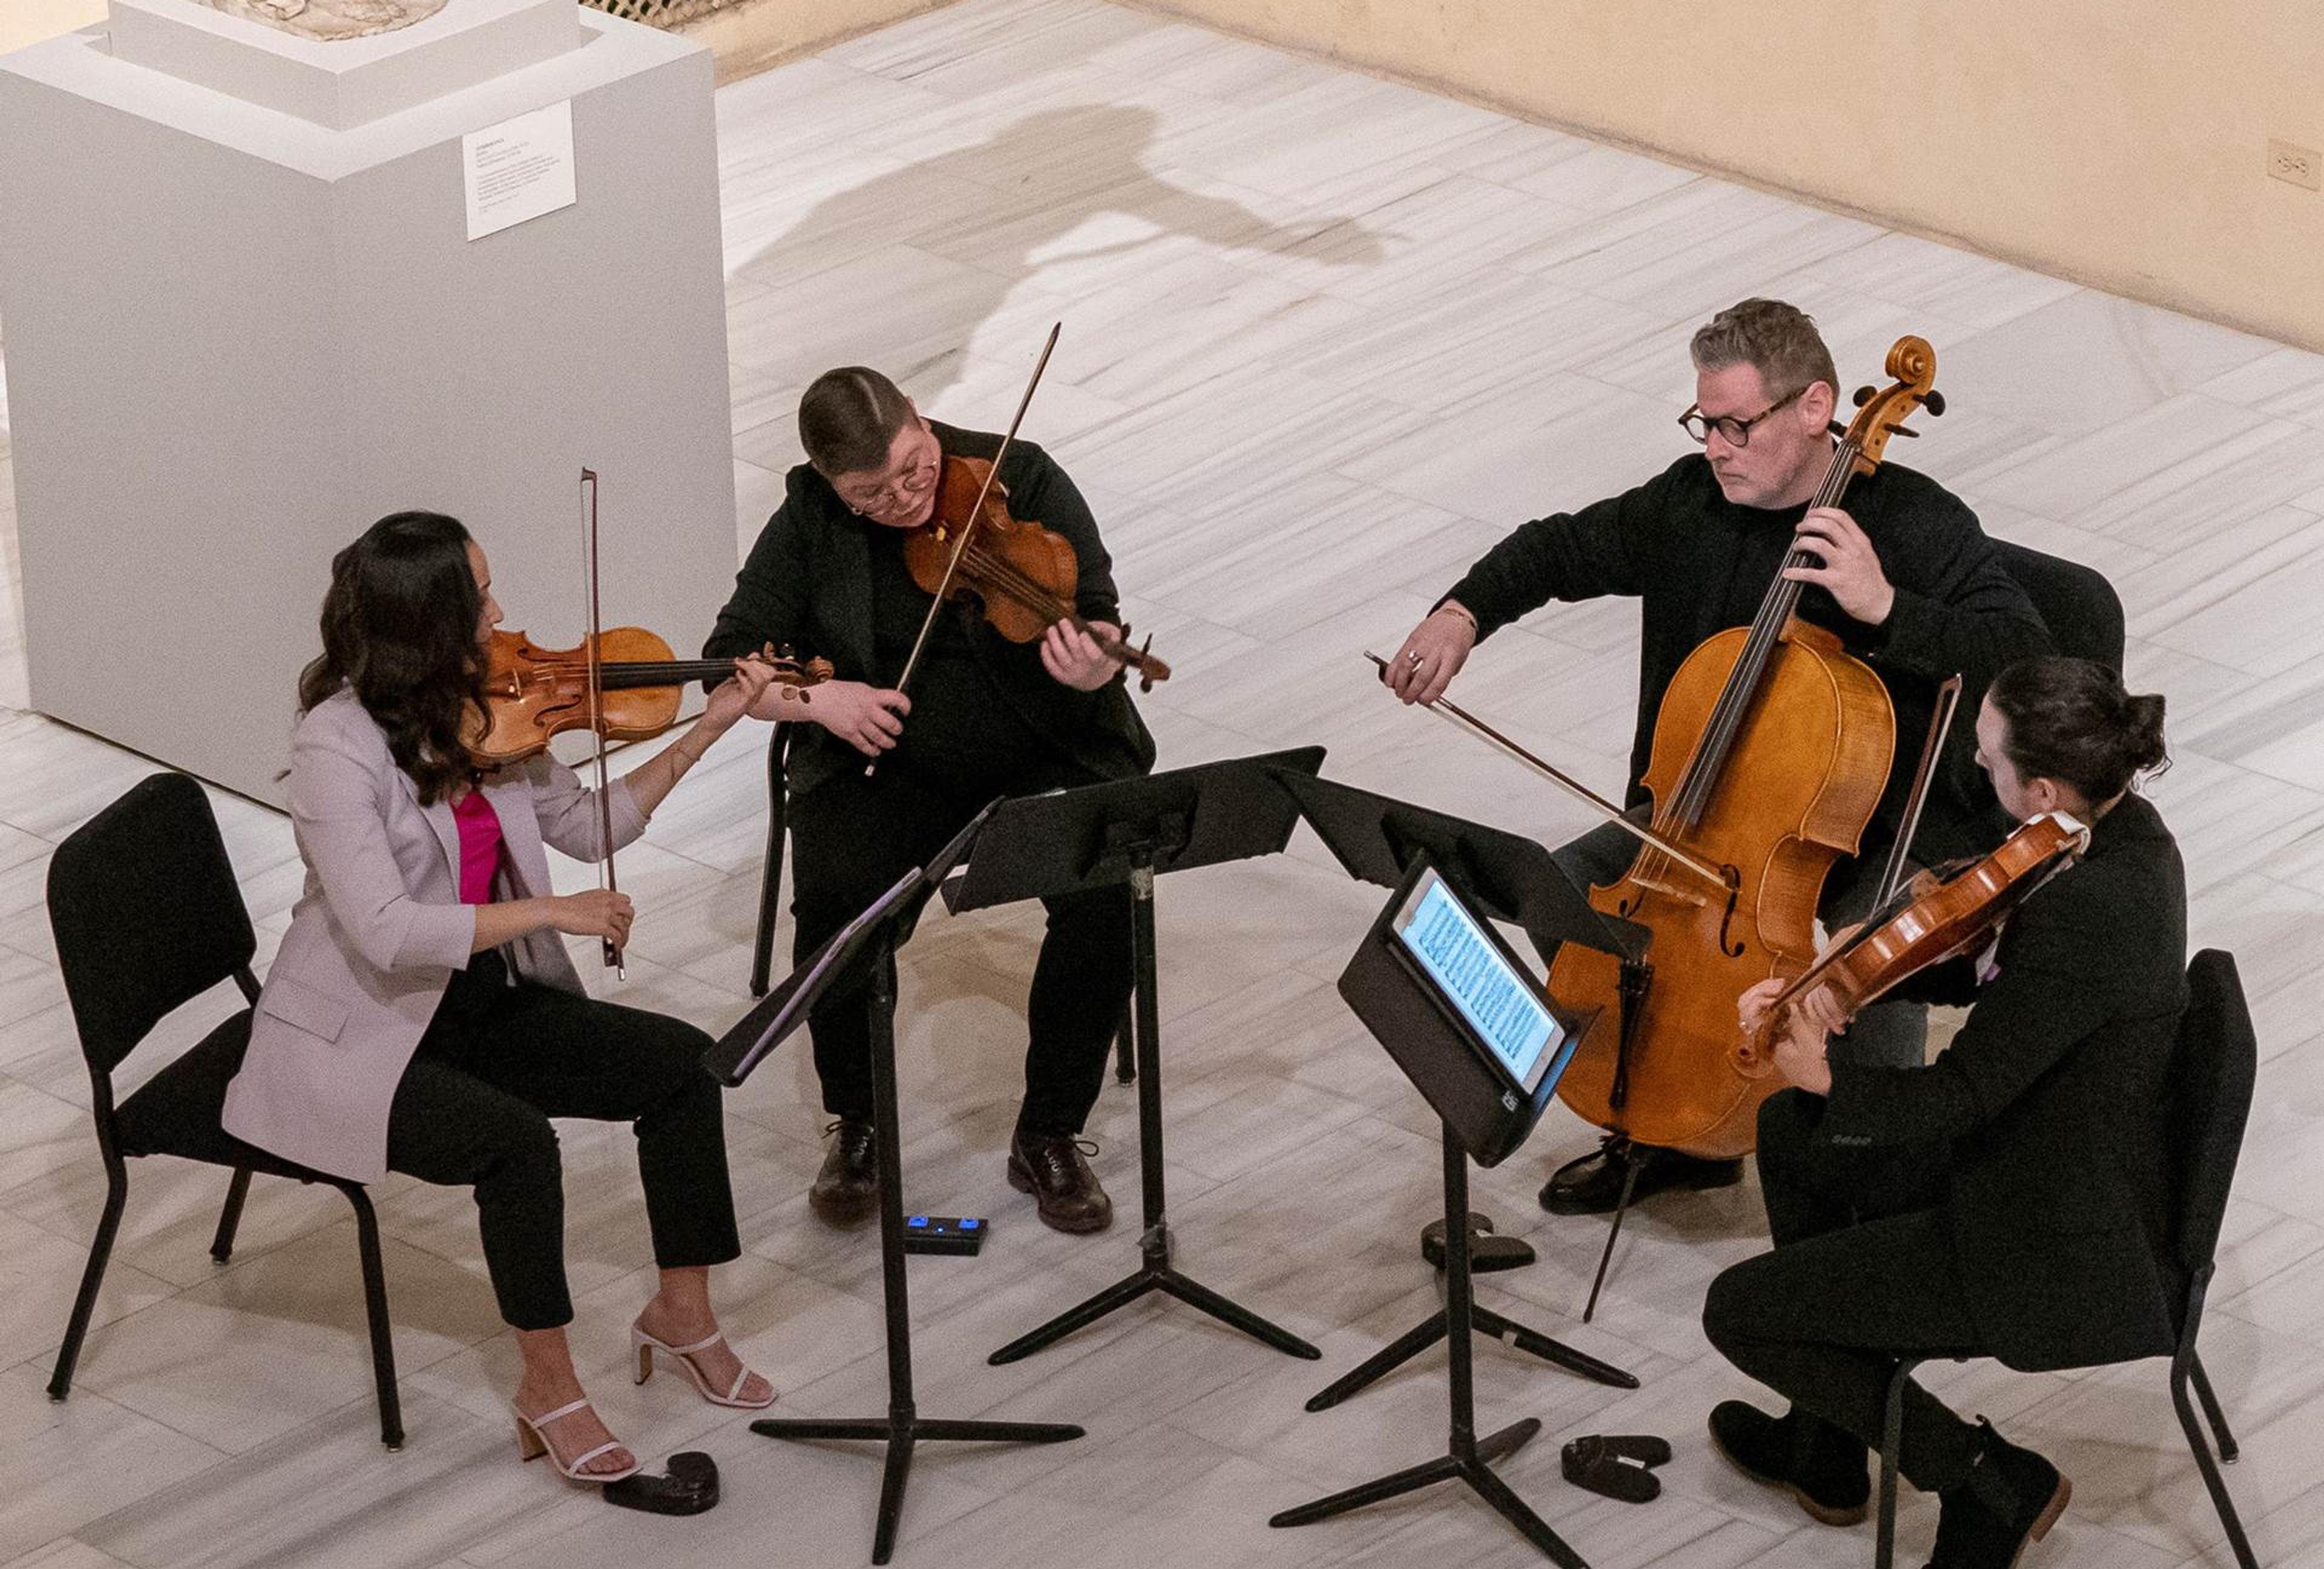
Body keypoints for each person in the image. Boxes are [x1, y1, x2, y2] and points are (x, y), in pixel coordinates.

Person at [1384, 297, 2053, 1215]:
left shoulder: (1911, 523)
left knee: (1860, 975)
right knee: (1566, 901)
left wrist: (1887, 609)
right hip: (1699, 821)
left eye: (1738, 424)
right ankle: (1675, 1130)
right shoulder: (1691, 504)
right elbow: (1558, 549)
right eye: (1705, 421)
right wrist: (1463, 612)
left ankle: (1863, 1193)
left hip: (1872, 834)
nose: (1717, 446)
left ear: (1816, 408)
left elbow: (2030, 661)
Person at [222, 511, 780, 1484]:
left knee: (683, 1067)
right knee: (520, 1146)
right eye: (481, 597)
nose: (502, 612)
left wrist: (712, 723)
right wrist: (550, 914)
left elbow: (589, 822)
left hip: (470, 1001)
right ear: (430, 623)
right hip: (364, 1033)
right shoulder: (335, 749)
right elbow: (387, 930)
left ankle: (682, 1314)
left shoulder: (491, 712)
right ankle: (548, 1386)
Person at [1701, 656, 2182, 1568]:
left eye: (1986, 757)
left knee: (1742, 1312)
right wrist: (1858, 975)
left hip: (2046, 1223)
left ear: (2039, 787)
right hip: (2044, 1142)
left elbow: (1964, 1092)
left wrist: (1828, 1076)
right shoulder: (2108, 831)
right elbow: (2003, 970)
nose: (1973, 765)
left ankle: (1985, 1478)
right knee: (1789, 1137)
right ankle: (1830, 1440)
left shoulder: (2091, 911)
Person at [704, 367, 1155, 1234]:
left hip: (1039, 746)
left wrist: (1096, 657)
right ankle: (859, 1123)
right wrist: (824, 702)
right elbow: (734, 663)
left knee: (1106, 887)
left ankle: (1051, 1131)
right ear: (832, 483)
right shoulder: (810, 521)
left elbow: (1097, 612)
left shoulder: (1019, 474)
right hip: (888, 766)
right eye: (872, 493)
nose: (907, 498)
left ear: (920, 418)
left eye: (914, 468)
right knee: (838, 905)